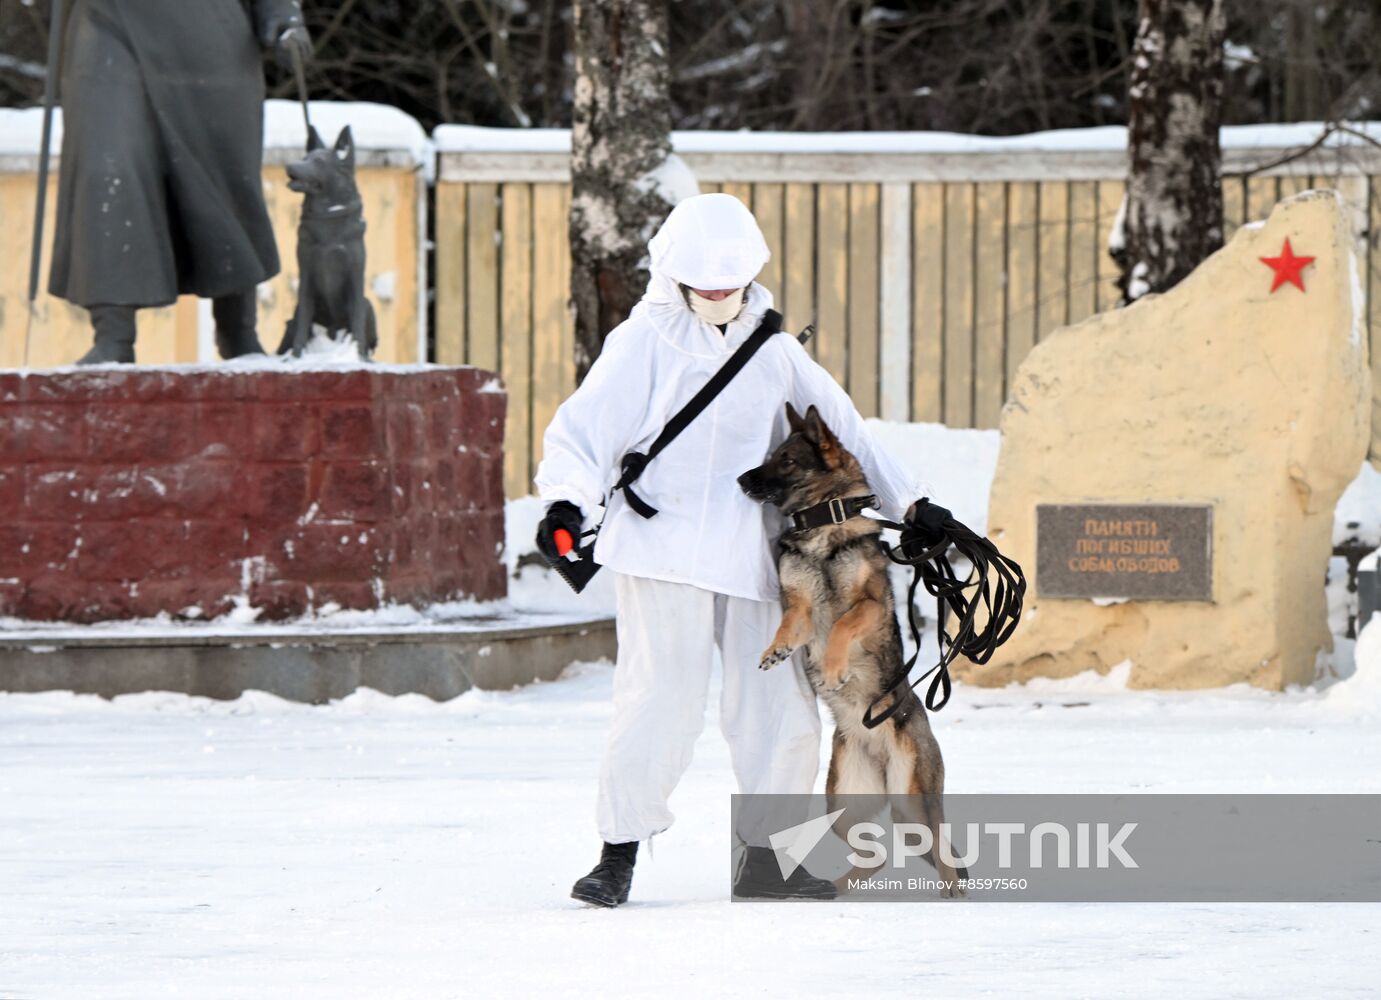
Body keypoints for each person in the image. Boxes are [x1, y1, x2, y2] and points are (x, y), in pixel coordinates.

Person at [533, 193, 923, 907]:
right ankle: (617, 852)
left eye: (728, 285)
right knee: (658, 701)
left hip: (752, 552)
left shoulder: (771, 347)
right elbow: (583, 435)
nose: (717, 297)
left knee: (778, 709)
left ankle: (771, 860)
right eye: (704, 286)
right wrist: (565, 501)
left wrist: (915, 506)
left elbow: (847, 431)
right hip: (660, 547)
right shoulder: (642, 342)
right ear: (673, 276)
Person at [48, 0, 312, 364]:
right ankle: (113, 332)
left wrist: (283, 18)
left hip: (211, 40)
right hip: (108, 24)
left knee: (222, 176)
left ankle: (238, 329)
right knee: (108, 165)